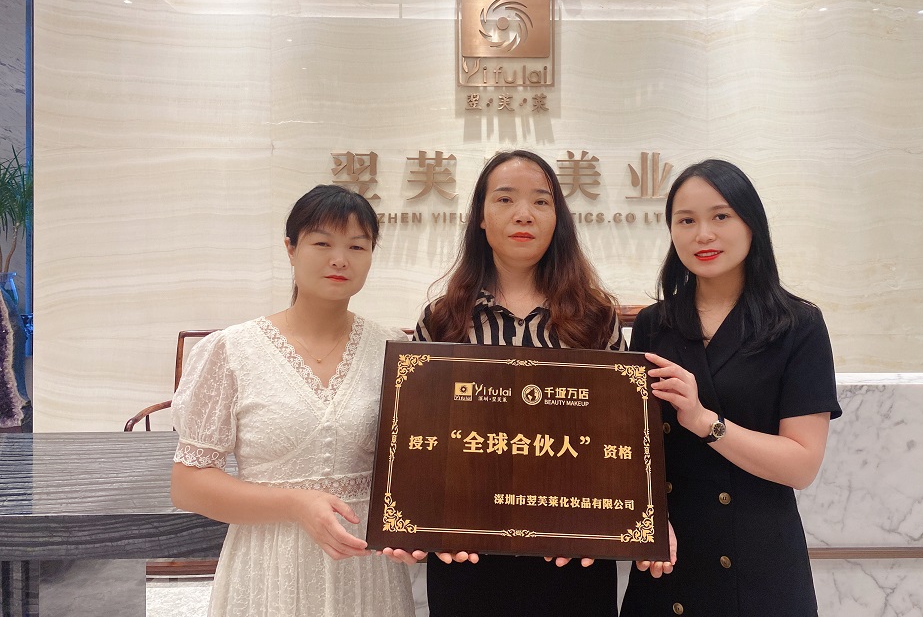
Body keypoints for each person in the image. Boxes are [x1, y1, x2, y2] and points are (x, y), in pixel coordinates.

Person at [402, 149, 629, 617]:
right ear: (481, 218)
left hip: (573, 555)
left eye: (541, 202)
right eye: (505, 199)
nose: (524, 214)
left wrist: (610, 523)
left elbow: (620, 435)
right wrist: (417, 523)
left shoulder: (595, 318)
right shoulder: (444, 320)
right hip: (466, 554)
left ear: (557, 219)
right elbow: (419, 441)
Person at [170, 184, 414, 617]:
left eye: (357, 246)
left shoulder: (394, 350)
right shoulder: (232, 350)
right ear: (291, 248)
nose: (340, 259)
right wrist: (296, 504)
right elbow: (188, 486)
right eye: (322, 243)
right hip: (269, 567)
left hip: (365, 569)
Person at [620, 159, 842, 617]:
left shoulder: (797, 325)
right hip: (669, 558)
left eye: (720, 216)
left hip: (760, 563)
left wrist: (705, 421)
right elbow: (635, 451)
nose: (703, 234)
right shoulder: (654, 324)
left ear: (751, 223)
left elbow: (802, 465)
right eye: (686, 221)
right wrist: (646, 522)